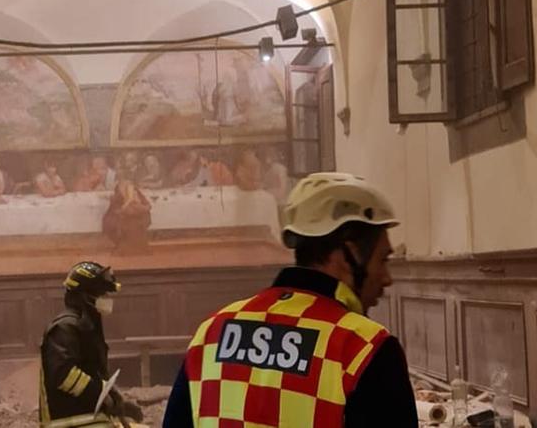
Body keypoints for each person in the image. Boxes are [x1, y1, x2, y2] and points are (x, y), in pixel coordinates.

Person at [163, 172, 417, 428]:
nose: (386, 278)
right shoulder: (363, 348)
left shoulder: (213, 333)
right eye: (382, 260)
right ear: (347, 254)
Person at [40, 262, 143, 428]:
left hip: (89, 420)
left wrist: (115, 400)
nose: (106, 299)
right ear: (85, 296)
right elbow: (64, 374)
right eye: (102, 293)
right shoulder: (64, 328)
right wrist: (101, 396)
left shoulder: (85, 327)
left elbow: (92, 373)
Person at [102, 179, 153, 252]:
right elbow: (116, 211)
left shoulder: (138, 195)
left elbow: (147, 207)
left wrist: (136, 204)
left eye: (128, 185)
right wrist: (128, 203)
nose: (126, 188)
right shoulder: (116, 197)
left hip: (138, 219)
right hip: (123, 220)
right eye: (123, 186)